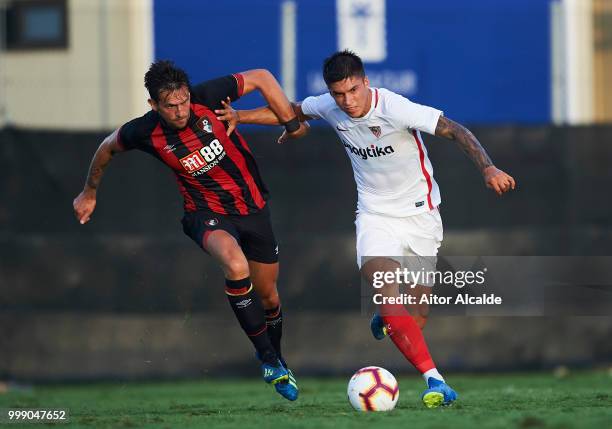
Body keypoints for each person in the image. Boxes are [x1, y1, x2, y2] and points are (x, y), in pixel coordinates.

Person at [215, 50, 516, 408]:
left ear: (366, 83)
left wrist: (488, 168)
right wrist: (240, 116)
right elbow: (290, 111)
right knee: (390, 302)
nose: (347, 101)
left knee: (416, 315)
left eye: (353, 91)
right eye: (339, 94)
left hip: (422, 216)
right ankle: (435, 381)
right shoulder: (330, 105)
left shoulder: (394, 107)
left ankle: (389, 318)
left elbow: (455, 130)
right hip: (374, 215)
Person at [72, 60, 308, 401]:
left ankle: (276, 357)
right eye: (171, 105)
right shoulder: (144, 131)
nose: (181, 110)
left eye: (183, 101)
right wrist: (89, 191)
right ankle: (269, 360)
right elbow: (107, 146)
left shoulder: (208, 97)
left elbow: (261, 77)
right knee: (236, 266)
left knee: (269, 296)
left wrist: (289, 120)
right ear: (153, 105)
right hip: (204, 213)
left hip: (253, 208)